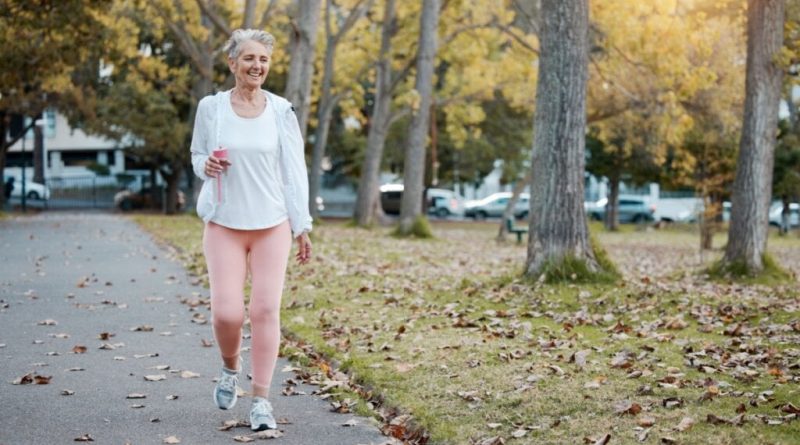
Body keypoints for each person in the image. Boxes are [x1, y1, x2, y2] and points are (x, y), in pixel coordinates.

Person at [189, 28, 313, 432]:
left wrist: (301, 225)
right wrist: (204, 165)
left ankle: (261, 400)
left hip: (271, 223)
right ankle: (230, 368)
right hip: (225, 221)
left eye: (263, 59)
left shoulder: (281, 111)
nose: (256, 65)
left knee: (264, 311)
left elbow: (295, 171)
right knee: (226, 313)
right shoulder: (212, 108)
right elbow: (197, 153)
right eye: (248, 58)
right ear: (232, 63)